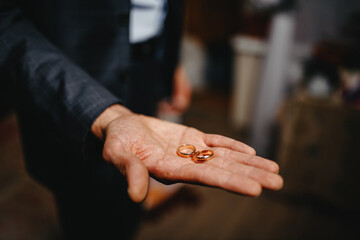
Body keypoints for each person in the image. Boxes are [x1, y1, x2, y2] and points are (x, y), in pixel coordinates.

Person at [0, 0, 283, 239]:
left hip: (148, 63)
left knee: (130, 197)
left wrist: (170, 59)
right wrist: (106, 113)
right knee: (86, 205)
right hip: (69, 71)